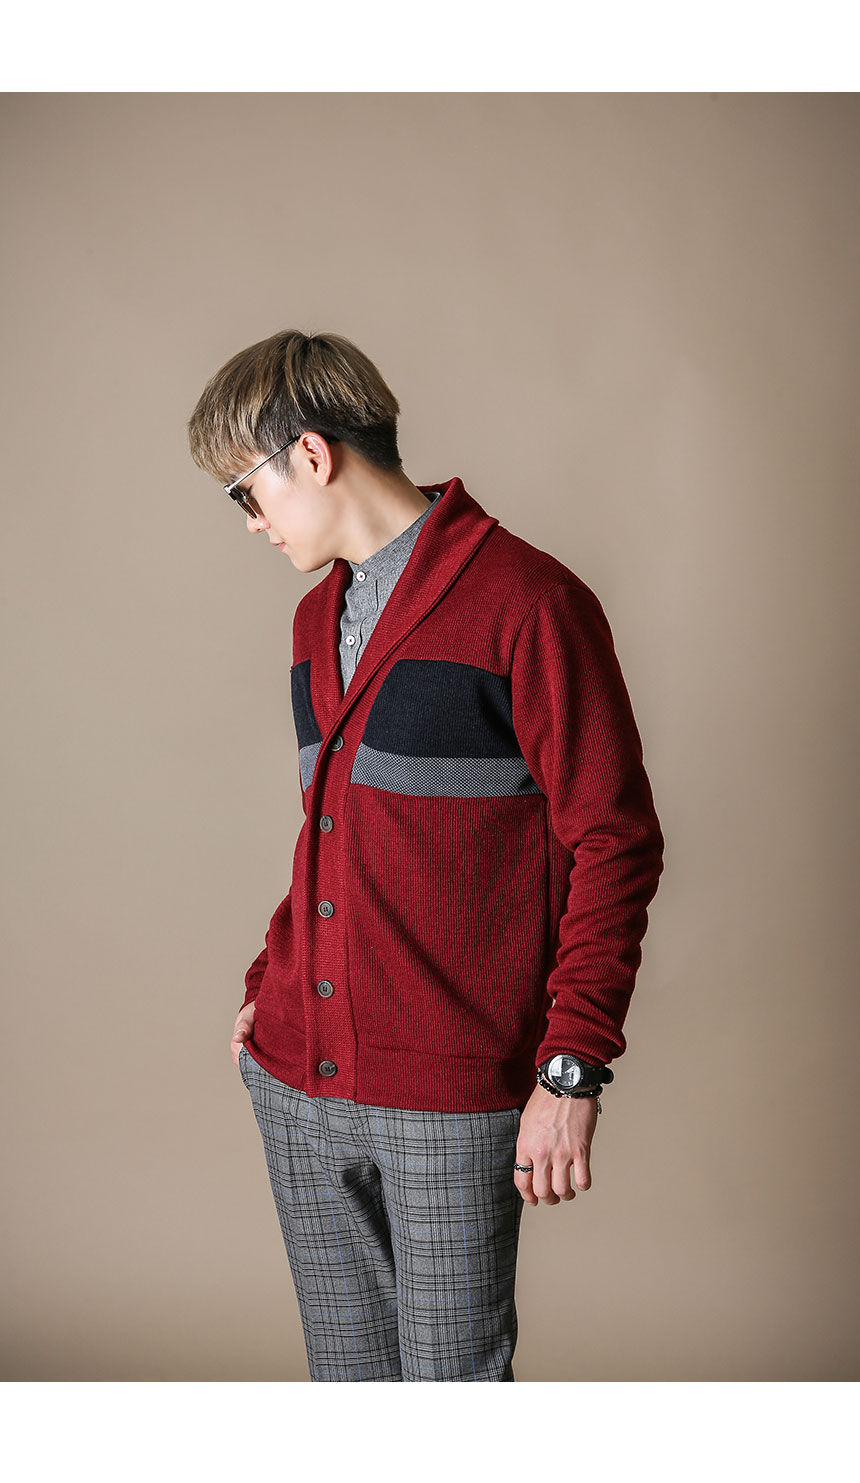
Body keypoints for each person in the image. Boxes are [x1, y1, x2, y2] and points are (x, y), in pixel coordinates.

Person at [186, 329, 665, 1382]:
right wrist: (268, 981)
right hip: (296, 1080)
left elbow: (614, 840)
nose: (252, 521)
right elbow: (335, 834)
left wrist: (572, 1065)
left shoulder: (530, 604)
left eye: (245, 492)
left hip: (450, 1092)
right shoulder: (314, 621)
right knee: (349, 1393)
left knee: (451, 1397)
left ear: (312, 457)